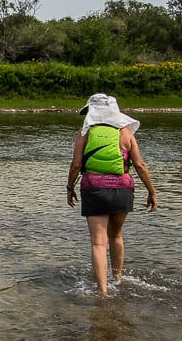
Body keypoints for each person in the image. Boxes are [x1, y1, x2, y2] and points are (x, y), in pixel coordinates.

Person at [66, 93, 157, 296]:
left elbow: (76, 165)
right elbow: (140, 166)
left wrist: (69, 187)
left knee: (98, 243)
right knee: (116, 236)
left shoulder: (84, 134)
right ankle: (117, 278)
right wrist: (152, 192)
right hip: (123, 190)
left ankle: (103, 292)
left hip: (94, 190)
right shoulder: (126, 134)